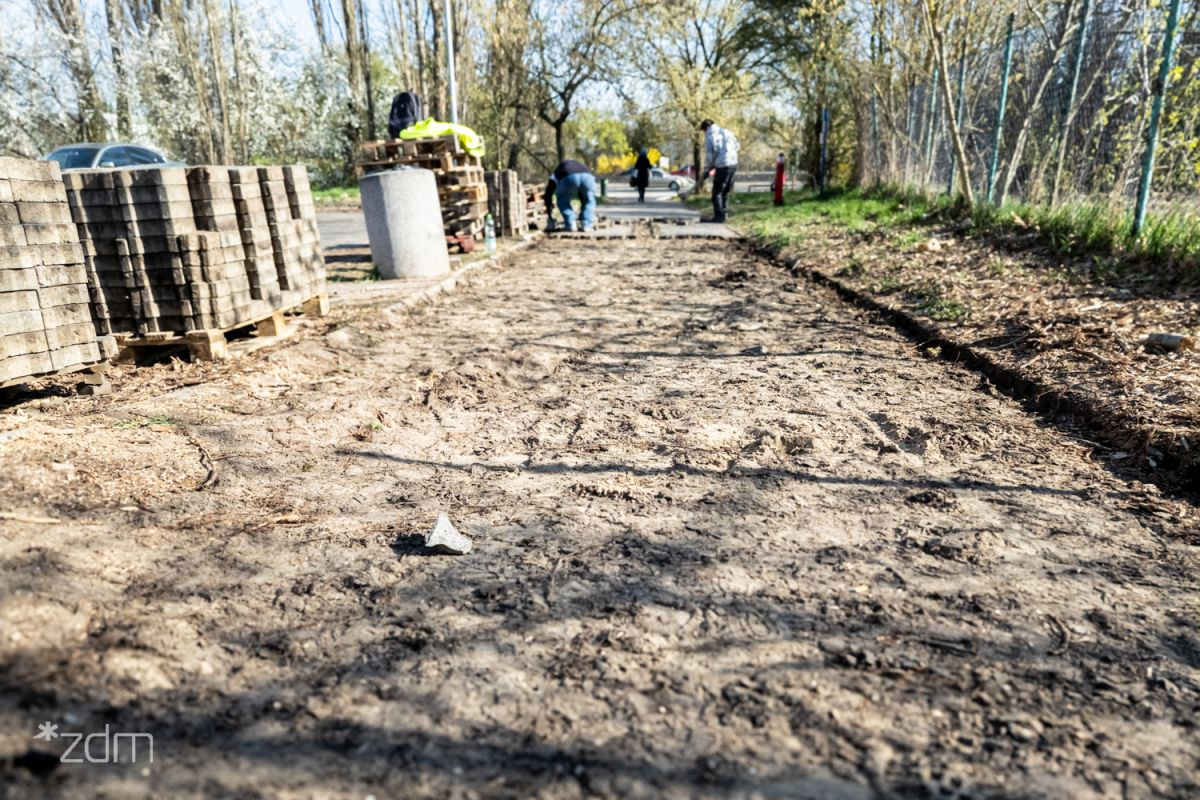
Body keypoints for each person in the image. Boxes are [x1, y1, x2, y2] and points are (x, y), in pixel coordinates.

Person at [700, 119, 739, 223]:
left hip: (722, 166)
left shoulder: (710, 136)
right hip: (733, 164)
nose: (704, 133)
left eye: (703, 131)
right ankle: (724, 214)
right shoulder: (727, 132)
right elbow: (737, 146)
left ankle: (719, 216)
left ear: (706, 128)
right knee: (725, 191)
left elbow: (710, 154)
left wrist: (708, 168)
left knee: (716, 192)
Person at [549, 159, 597, 232]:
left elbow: (548, 193)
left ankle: (571, 224)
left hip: (569, 177)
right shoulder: (580, 165)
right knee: (589, 200)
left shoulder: (555, 173)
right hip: (588, 177)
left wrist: (549, 212)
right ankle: (587, 225)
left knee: (562, 201)